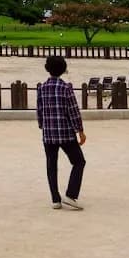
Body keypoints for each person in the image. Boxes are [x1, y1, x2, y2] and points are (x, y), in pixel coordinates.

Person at [36, 55, 87, 210]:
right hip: (65, 133)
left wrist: (42, 126)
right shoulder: (66, 88)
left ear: (47, 69)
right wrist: (80, 131)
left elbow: (39, 111)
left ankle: (55, 199)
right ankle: (71, 195)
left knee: (51, 165)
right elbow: (73, 111)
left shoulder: (42, 88)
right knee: (79, 162)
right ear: (64, 70)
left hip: (48, 134)